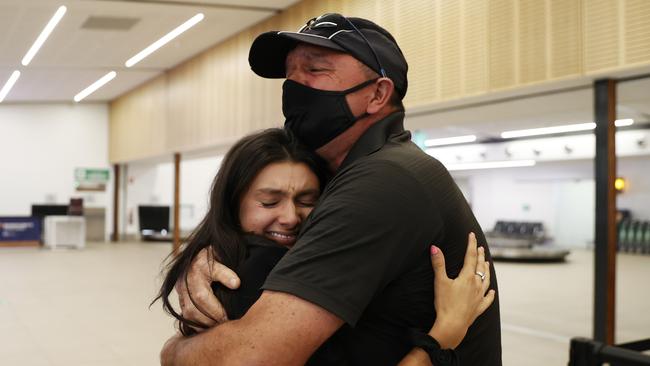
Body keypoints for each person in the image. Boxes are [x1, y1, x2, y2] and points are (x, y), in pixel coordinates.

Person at [162, 13, 502, 365]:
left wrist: (173, 352)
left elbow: (248, 359)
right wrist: (217, 250)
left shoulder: (381, 183)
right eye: (290, 72)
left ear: (377, 94)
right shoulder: (353, 172)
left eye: (315, 70)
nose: (294, 85)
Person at [156, 128, 494, 365]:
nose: (290, 217)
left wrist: (175, 351)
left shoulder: (229, 262)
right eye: (270, 202)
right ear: (233, 203)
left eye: (307, 200)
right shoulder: (256, 273)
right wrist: (441, 339)